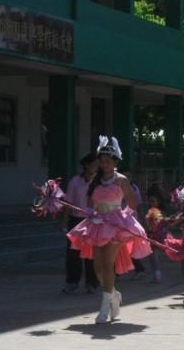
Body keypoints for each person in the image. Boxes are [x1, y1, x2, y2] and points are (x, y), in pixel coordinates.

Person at [67, 136, 152, 324]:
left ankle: (104, 308)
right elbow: (90, 204)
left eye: (108, 162)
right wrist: (91, 213)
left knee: (107, 265)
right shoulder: (96, 180)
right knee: (97, 267)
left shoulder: (121, 180)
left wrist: (124, 219)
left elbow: (132, 203)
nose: (104, 165)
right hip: (98, 224)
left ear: (115, 162)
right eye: (102, 162)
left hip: (116, 225)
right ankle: (114, 294)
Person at [61, 153, 100, 294]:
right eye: (94, 164)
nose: (97, 167)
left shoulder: (100, 181)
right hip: (76, 220)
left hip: (94, 221)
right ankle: (72, 282)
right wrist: (64, 221)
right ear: (86, 165)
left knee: (91, 253)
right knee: (73, 252)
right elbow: (68, 202)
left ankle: (92, 283)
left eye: (98, 165)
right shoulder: (75, 181)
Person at [144, 188, 167, 283]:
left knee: (154, 256)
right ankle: (156, 274)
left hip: (157, 235)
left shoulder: (160, 212)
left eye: (153, 201)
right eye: (150, 201)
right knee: (151, 256)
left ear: (158, 202)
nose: (151, 203)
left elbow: (162, 224)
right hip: (150, 235)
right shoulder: (149, 211)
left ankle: (157, 275)